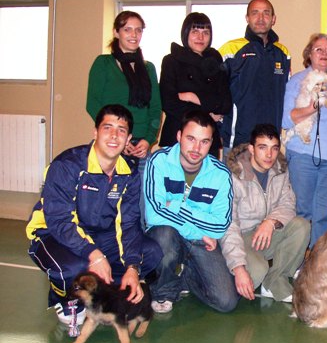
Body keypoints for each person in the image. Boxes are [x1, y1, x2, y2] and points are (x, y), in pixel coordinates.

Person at [26, 105, 162, 327]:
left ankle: (102, 289)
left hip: (101, 235)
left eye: (121, 130)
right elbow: (59, 221)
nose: (114, 135)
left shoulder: (128, 173)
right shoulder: (67, 165)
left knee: (152, 253)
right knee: (74, 267)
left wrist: (132, 268)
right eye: (107, 127)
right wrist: (94, 255)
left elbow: (128, 224)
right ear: (95, 132)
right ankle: (64, 296)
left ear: (128, 139)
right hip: (52, 233)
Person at [144, 110, 238, 314]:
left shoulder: (220, 174)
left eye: (204, 142)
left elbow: (221, 224)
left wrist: (176, 206)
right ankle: (163, 291)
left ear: (211, 143)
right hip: (180, 237)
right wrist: (197, 230)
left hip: (199, 243)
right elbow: (154, 214)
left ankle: (184, 277)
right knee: (164, 233)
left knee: (226, 302)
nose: (196, 148)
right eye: (191, 139)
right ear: (178, 136)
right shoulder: (158, 161)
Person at [221, 124, 310, 303]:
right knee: (256, 273)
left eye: (274, 148)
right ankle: (225, 270)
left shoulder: (280, 170)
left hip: (267, 232)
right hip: (241, 235)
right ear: (251, 149)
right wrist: (238, 267)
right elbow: (229, 225)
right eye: (263, 148)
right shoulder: (233, 176)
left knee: (302, 226)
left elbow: (288, 203)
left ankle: (275, 280)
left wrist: (271, 222)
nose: (269, 155)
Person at [282, 33, 327, 247]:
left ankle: (317, 262)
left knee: (323, 214)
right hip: (303, 153)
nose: (324, 54)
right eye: (318, 50)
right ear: (309, 55)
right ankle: (298, 262)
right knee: (303, 212)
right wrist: (313, 107)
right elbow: (287, 119)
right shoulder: (298, 80)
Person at [86, 11, 162, 165]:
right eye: (127, 29)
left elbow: (155, 108)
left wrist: (148, 140)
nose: (134, 34)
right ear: (116, 32)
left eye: (138, 30)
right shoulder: (103, 63)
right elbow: (92, 104)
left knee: (140, 189)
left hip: (141, 147)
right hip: (111, 143)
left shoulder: (149, 68)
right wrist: (119, 136)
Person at [219, 0, 291, 151]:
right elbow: (216, 91)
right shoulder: (230, 49)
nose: (260, 18)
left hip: (270, 144)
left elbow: (288, 95)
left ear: (273, 19)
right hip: (238, 142)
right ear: (247, 18)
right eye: (255, 13)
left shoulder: (283, 53)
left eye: (266, 13)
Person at [159, 12, 232, 158]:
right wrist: (207, 112)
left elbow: (225, 104)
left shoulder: (216, 61)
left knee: (207, 180)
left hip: (208, 139)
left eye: (205, 32)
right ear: (185, 33)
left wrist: (192, 97)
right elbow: (168, 103)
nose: (200, 37)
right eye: (195, 31)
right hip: (176, 136)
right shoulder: (171, 61)